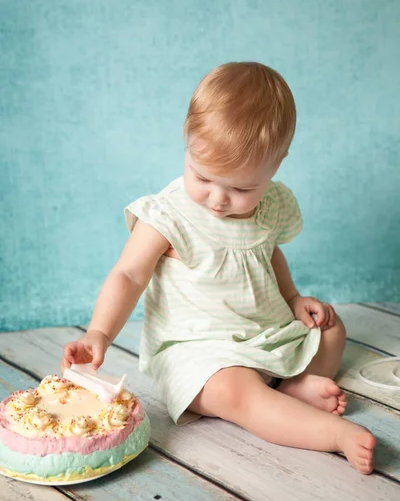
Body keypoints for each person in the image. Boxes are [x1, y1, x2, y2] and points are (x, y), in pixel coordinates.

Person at [61, 62, 375, 474]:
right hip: (198, 353)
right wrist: (99, 332)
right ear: (187, 144)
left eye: (242, 188)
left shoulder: (273, 204)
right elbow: (129, 275)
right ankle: (330, 434)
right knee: (232, 389)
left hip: (264, 335)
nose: (218, 199)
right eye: (203, 177)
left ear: (276, 165)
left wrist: (294, 298)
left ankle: (289, 388)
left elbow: (268, 253)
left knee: (332, 330)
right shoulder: (168, 214)